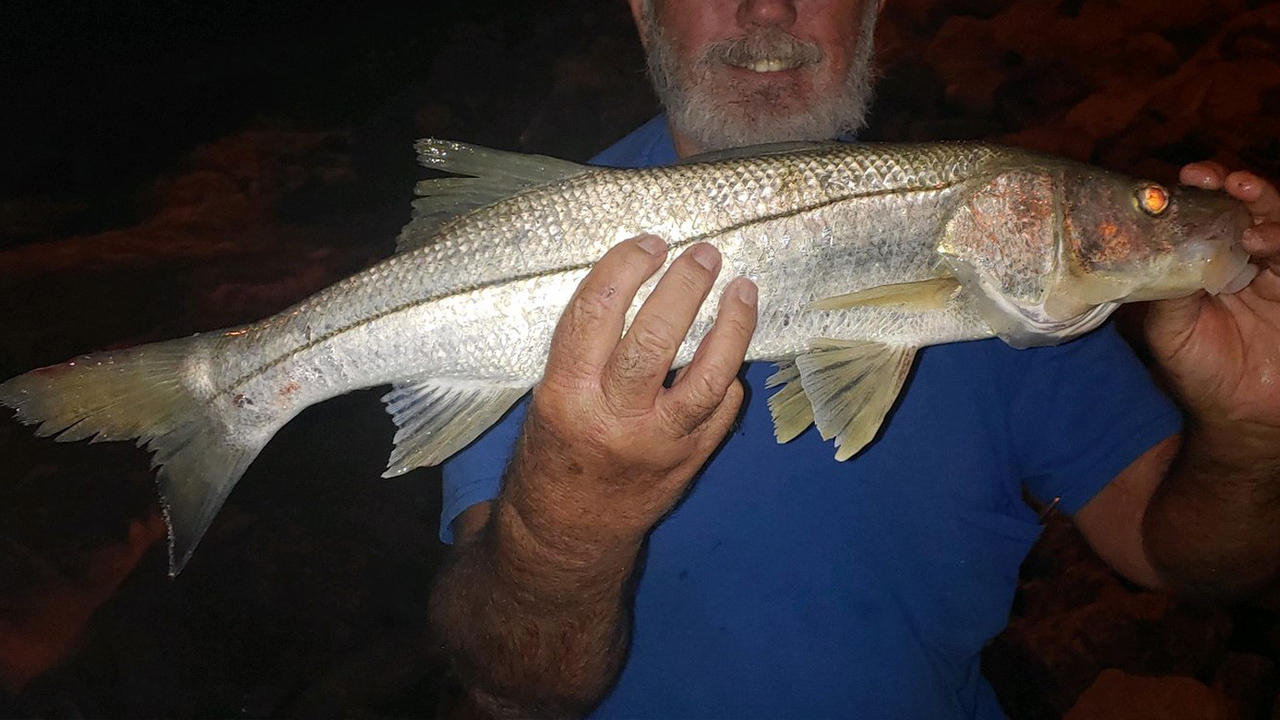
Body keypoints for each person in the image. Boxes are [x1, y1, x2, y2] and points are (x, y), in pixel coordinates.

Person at [428, 0, 1280, 717]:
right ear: (644, 9)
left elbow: (1180, 561)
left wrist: (1251, 432)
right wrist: (565, 526)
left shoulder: (1032, 291)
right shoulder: (521, 255)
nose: (768, 8)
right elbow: (511, 688)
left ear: (874, 13)